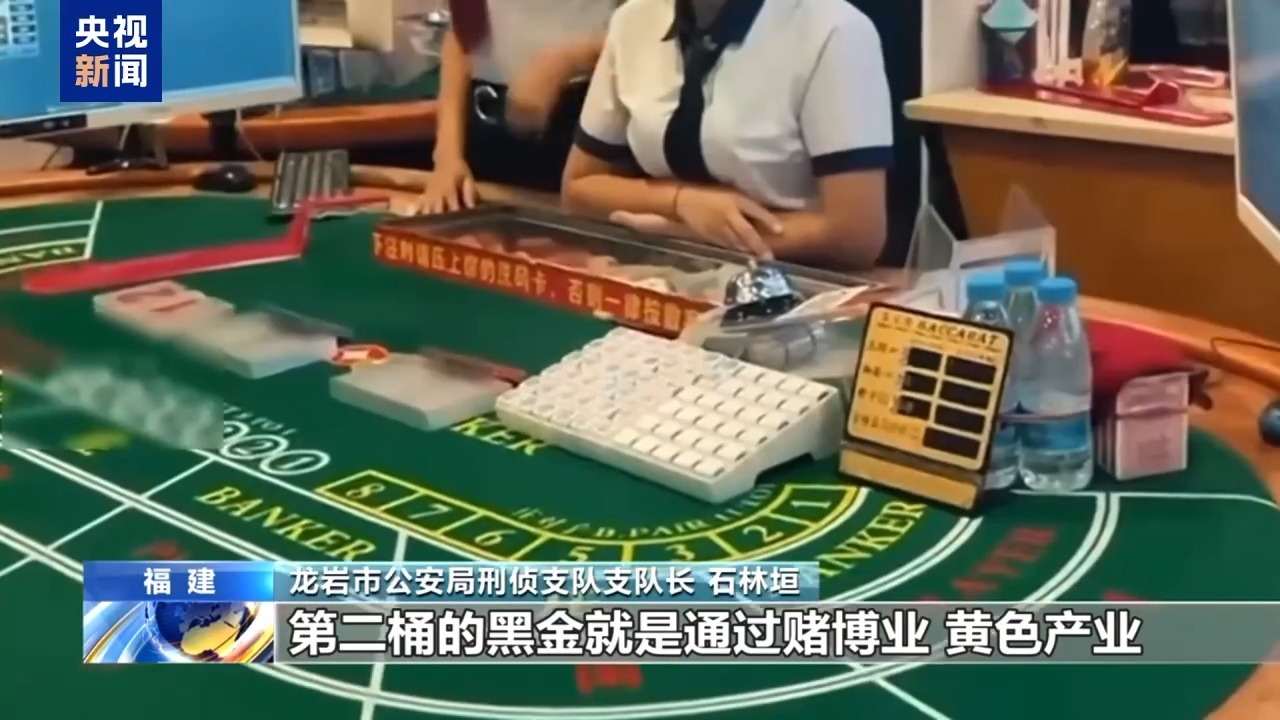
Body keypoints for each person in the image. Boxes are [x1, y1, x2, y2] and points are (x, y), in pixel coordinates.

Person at [561, 0, 894, 270]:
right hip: (664, 269)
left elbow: (856, 233)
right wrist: (682, 202)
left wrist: (697, 235)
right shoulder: (633, 19)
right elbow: (578, 189)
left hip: (793, 279)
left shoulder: (835, 28)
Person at [419, 0, 620, 213]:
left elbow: (643, 36)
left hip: (584, 130)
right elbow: (462, 35)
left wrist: (571, 58)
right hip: (484, 132)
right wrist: (447, 157)